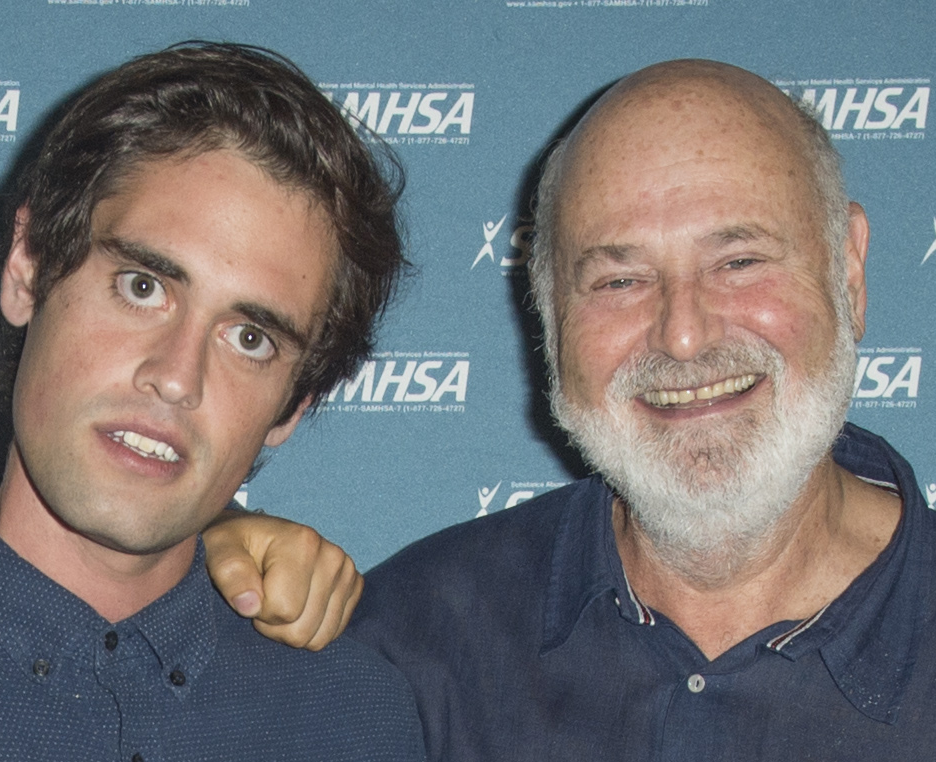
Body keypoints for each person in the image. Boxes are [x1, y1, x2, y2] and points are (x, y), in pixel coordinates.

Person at [347, 60, 936, 759]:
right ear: (549, 314)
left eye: (739, 262)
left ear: (848, 272)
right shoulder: (406, 647)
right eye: (620, 280)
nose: (683, 335)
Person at [0, 42, 424, 761]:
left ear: (294, 405)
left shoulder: (354, 719)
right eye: (143, 287)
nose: (178, 376)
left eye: (249, 338)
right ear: (27, 270)